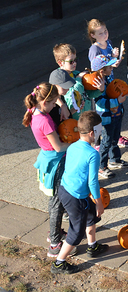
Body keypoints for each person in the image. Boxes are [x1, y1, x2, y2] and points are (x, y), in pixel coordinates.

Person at [50, 110, 109, 274]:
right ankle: (59, 263)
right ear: (92, 133)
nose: (101, 133)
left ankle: (92, 246)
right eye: (100, 130)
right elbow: (93, 182)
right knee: (76, 233)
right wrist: (99, 202)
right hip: (76, 197)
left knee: (91, 216)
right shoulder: (93, 154)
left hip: (65, 189)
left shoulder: (73, 146)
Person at [23, 82, 75, 258]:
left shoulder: (35, 111)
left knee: (56, 201)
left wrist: (62, 105)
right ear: (45, 102)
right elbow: (58, 147)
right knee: (56, 203)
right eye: (53, 103)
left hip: (48, 158)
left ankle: (56, 232)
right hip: (55, 162)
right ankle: (54, 243)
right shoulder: (45, 121)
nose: (55, 106)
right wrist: (76, 143)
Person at [93, 54, 128, 178]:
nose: (112, 68)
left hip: (116, 114)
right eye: (109, 67)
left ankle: (115, 159)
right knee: (106, 141)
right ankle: (101, 167)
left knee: (115, 138)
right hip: (107, 118)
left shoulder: (107, 79)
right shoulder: (98, 85)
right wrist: (117, 101)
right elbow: (100, 102)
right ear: (102, 71)